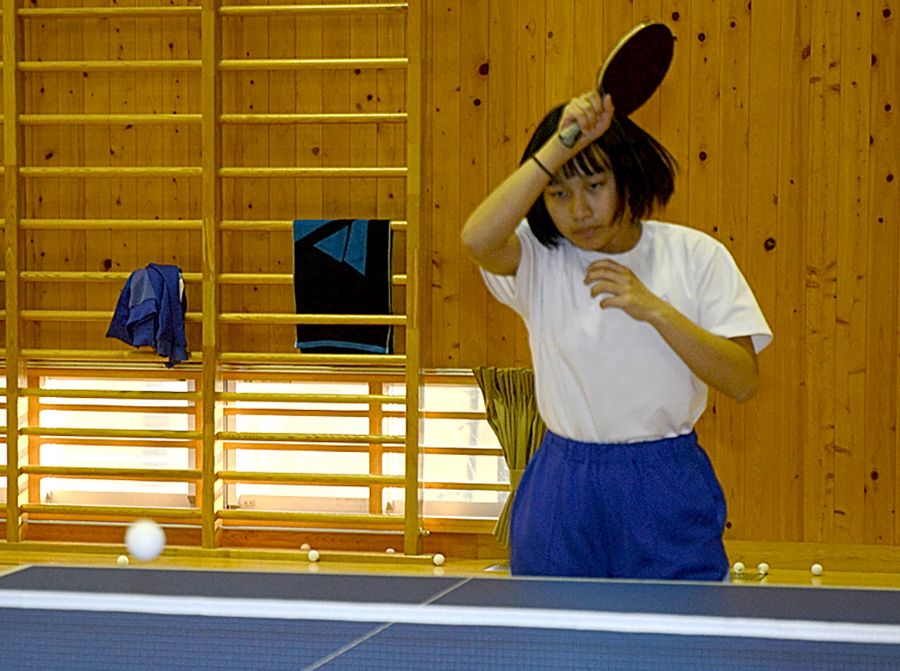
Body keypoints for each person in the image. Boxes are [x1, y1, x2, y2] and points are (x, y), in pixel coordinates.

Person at [460, 91, 772, 581]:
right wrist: (559, 146)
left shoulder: (696, 256)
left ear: (628, 177)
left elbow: (743, 379)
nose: (578, 209)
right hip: (562, 480)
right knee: (552, 647)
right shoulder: (539, 259)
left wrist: (655, 310)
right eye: (558, 192)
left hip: (663, 479)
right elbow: (476, 239)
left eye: (595, 185)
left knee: (680, 646)